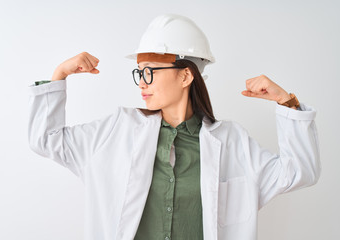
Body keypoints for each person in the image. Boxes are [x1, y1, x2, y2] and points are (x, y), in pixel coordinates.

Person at [28, 14, 321, 240]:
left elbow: (299, 172)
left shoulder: (231, 141)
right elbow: (46, 140)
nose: (142, 81)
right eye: (139, 72)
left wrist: (286, 102)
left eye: (150, 71)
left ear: (185, 76)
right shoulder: (116, 132)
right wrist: (59, 75)